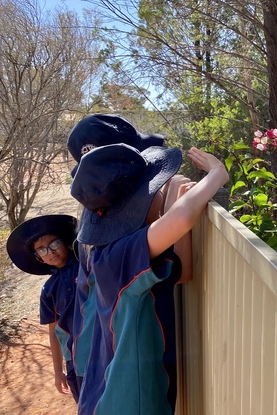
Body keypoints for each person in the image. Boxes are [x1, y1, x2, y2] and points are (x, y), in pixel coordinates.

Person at [70, 143, 228, 415]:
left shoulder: (109, 254)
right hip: (127, 401)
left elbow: (183, 272)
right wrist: (217, 174)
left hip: (108, 395)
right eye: (156, 187)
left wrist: (174, 201)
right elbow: (180, 220)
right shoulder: (121, 256)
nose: (161, 190)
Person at [66, 114, 193, 401]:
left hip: (92, 360)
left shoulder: (96, 226)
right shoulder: (118, 248)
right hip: (114, 374)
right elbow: (181, 268)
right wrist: (176, 202)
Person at [6, 214, 81, 402]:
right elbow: (53, 331)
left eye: (54, 244)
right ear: (38, 258)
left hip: (105, 345)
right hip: (75, 358)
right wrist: (58, 371)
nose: (50, 252)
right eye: (42, 250)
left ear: (65, 242)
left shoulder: (86, 265)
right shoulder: (48, 290)